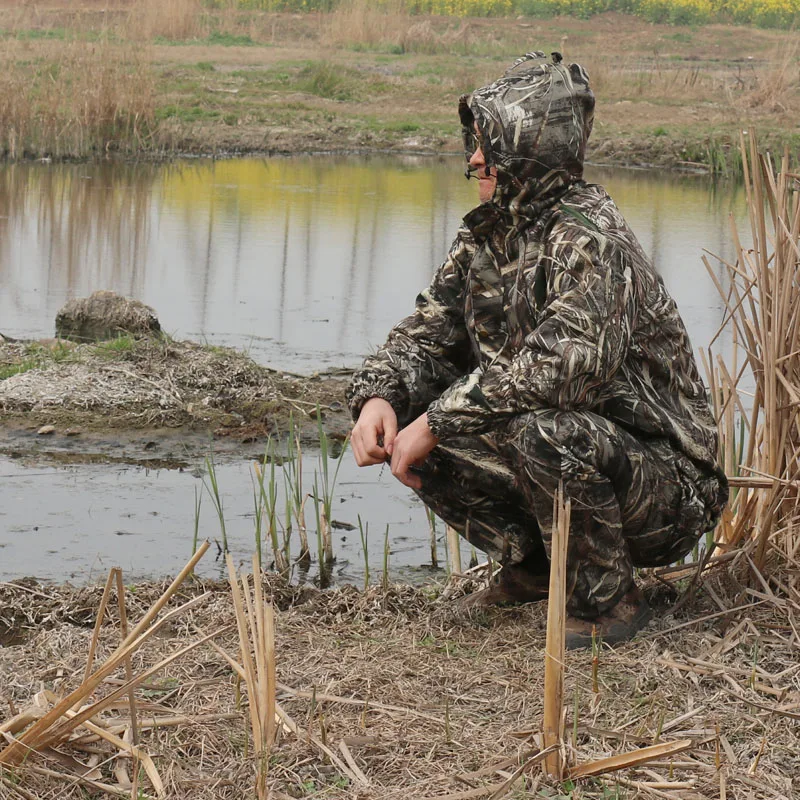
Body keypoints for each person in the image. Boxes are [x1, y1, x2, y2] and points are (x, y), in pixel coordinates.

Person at [345, 52, 728, 648]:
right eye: (475, 141)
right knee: (419, 429)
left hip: (670, 488)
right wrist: (378, 397)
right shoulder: (488, 235)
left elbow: (560, 369)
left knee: (540, 430)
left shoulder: (593, 240)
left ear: (529, 151)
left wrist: (439, 420)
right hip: (579, 444)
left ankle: (607, 602)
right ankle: (537, 566)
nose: (473, 158)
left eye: (489, 142)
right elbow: (428, 334)